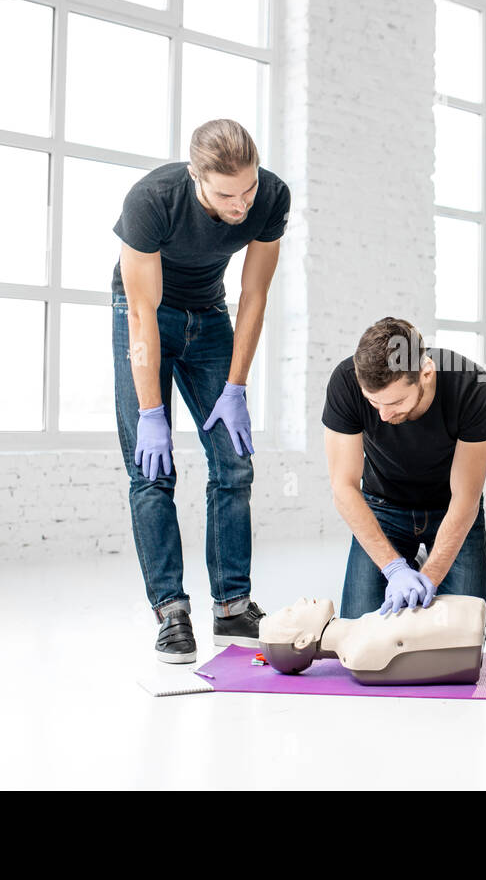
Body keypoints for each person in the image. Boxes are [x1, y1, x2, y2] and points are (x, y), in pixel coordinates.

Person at [111, 119, 290, 663]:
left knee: (234, 465)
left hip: (210, 316)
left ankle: (233, 606)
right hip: (146, 316)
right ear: (195, 177)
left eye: (248, 189)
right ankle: (171, 612)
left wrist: (236, 386)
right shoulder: (152, 201)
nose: (241, 206)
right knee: (151, 469)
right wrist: (150, 411)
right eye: (225, 194)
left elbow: (254, 295)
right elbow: (141, 311)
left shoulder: (271, 197)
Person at [322, 318, 486, 619]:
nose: (384, 414)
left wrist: (429, 577)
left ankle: (419, 561)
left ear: (426, 373)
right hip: (383, 506)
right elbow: (344, 487)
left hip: (450, 506)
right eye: (373, 403)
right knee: (359, 631)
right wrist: (393, 568)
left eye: (396, 402)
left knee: (463, 637)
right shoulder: (345, 381)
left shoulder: (473, 386)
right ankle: (406, 558)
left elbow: (466, 499)